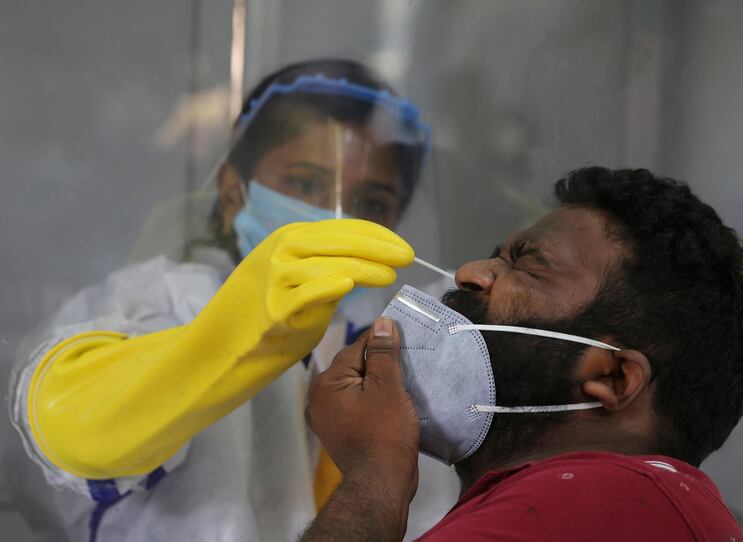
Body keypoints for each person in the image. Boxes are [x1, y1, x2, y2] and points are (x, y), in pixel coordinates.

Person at [4, 58, 459, 541]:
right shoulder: (166, 300)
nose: (337, 217)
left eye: (371, 203)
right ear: (232, 193)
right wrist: (235, 336)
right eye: (304, 184)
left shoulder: (405, 344)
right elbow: (67, 428)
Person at [302, 166, 743, 541]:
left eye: (526, 264)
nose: (471, 272)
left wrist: (376, 475)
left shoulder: (605, 500)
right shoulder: (626, 501)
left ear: (614, 378)